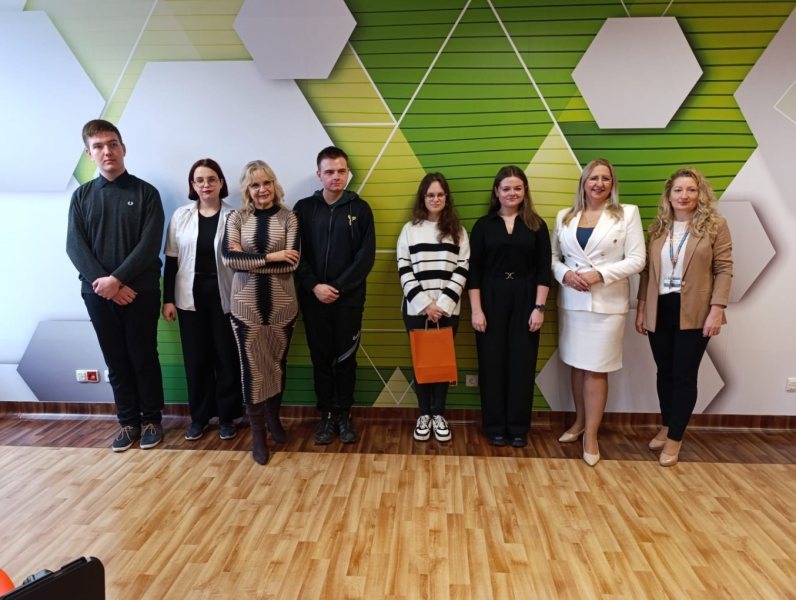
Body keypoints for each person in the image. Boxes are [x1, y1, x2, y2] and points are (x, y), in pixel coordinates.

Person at [66, 119, 165, 452]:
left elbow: (149, 245)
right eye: (98, 146)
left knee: (143, 356)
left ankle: (151, 420)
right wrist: (107, 285)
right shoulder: (81, 196)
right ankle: (128, 422)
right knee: (116, 360)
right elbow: (75, 246)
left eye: (112, 144)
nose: (107, 151)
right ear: (89, 153)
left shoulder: (146, 193)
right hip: (97, 294)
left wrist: (117, 280)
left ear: (123, 148)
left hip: (141, 291)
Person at [635, 167, 732, 467]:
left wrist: (717, 309)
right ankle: (667, 425)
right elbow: (647, 273)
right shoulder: (657, 228)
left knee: (684, 374)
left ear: (700, 194)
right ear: (669, 195)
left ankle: (675, 438)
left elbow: (724, 268)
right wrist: (642, 308)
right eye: (678, 190)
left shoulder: (715, 226)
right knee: (664, 372)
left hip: (695, 310)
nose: (684, 195)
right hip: (660, 308)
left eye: (691, 189)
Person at [551, 159, 645, 466]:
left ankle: (591, 435)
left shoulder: (626, 214)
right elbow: (553, 257)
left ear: (612, 183)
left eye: (605, 178)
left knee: (596, 368)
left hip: (607, 304)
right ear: (583, 182)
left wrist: (600, 274)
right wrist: (565, 274)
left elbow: (637, 260)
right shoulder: (565, 216)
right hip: (573, 302)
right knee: (577, 365)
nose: (599, 183)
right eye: (593, 178)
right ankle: (579, 422)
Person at [294, 146, 376, 445]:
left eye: (341, 171)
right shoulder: (304, 209)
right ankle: (326, 414)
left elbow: (365, 258)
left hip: (349, 302)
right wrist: (315, 286)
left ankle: (344, 414)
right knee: (321, 360)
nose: (336, 177)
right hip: (313, 300)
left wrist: (338, 287)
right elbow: (296, 254)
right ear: (319, 175)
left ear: (348, 173)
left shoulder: (361, 209)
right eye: (329, 172)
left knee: (345, 360)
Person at [222, 160, 300, 465]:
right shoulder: (236, 218)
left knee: (277, 364)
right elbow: (230, 258)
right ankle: (258, 435)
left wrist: (251, 259)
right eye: (255, 184)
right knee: (252, 368)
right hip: (245, 307)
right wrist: (271, 256)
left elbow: (291, 263)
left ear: (274, 184)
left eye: (266, 182)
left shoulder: (289, 217)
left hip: (283, 306)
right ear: (247, 189)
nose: (262, 189)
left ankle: (273, 419)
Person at [468, 165, 551, 448]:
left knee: (522, 364)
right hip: (490, 297)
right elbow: (474, 272)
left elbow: (543, 270)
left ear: (525, 190)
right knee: (491, 364)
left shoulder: (537, 225)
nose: (511, 193)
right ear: (497, 191)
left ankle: (518, 427)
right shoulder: (483, 226)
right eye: (506, 188)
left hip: (526, 297)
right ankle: (494, 426)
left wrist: (539, 308)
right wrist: (476, 310)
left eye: (517, 188)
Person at [162, 158, 242, 442]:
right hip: (189, 298)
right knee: (196, 360)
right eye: (199, 180)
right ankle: (199, 417)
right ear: (192, 185)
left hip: (226, 297)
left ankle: (227, 417)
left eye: (211, 179)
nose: (206, 185)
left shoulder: (236, 216)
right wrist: (167, 299)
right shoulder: (180, 216)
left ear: (221, 182)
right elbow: (171, 261)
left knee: (226, 359)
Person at [397, 173, 470, 443]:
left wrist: (442, 304)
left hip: (448, 309)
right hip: (416, 310)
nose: (435, 199)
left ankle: (438, 414)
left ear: (446, 198)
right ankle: (423, 414)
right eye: (430, 195)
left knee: (442, 364)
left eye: (440, 194)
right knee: (422, 362)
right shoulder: (410, 230)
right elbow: (404, 267)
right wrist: (425, 304)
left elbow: (463, 268)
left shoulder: (458, 231)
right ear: (423, 198)